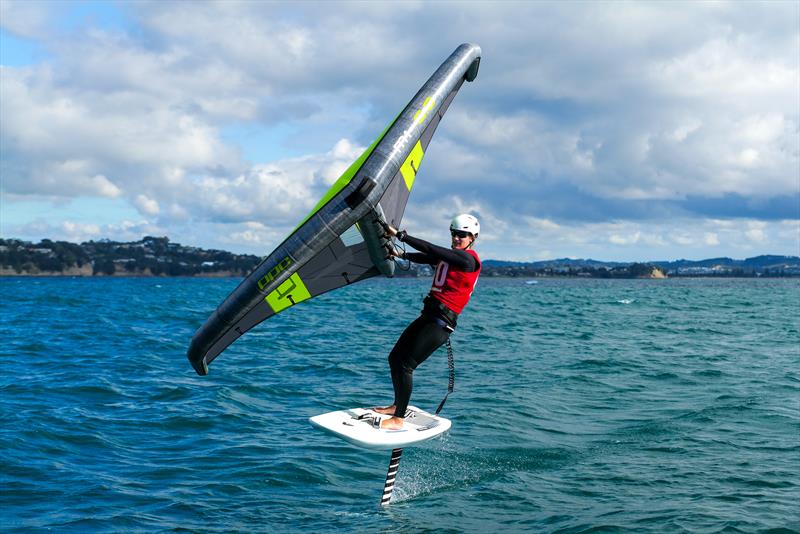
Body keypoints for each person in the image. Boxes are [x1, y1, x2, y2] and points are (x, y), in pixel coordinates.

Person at [373, 214, 481, 430]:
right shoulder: (450, 258)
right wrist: (400, 254)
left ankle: (398, 419)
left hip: (439, 324)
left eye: (462, 235)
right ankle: (397, 406)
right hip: (428, 318)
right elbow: (428, 257)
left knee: (405, 365)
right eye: (454, 233)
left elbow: (432, 250)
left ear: (472, 237)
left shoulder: (468, 260)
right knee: (395, 358)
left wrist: (402, 236)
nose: (457, 238)